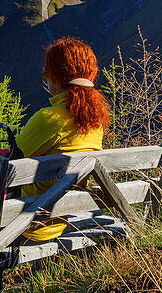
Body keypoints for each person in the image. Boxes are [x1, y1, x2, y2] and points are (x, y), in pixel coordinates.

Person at [16, 37, 111, 199]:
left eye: (46, 71)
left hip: (29, 220)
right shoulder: (95, 121)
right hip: (68, 214)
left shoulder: (48, 119)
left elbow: (12, 161)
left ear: (54, 77)